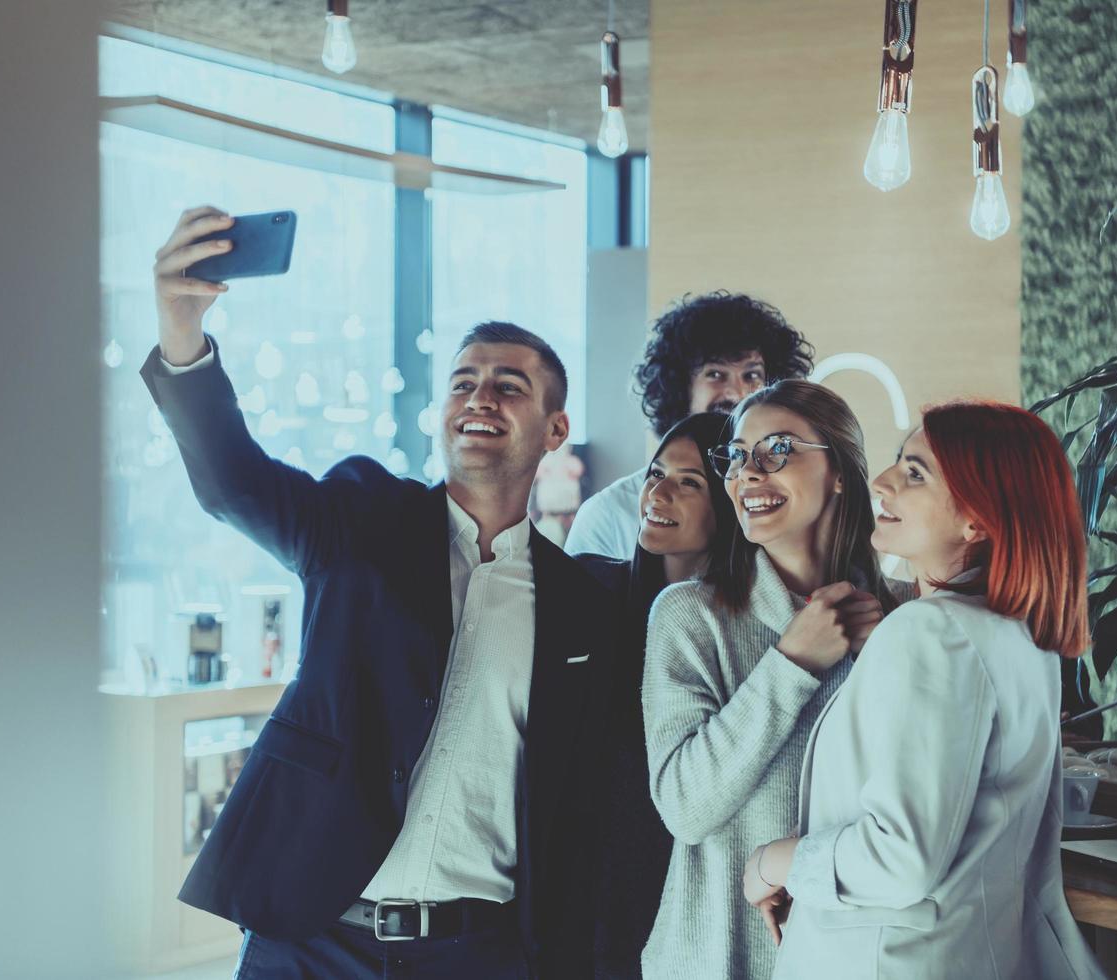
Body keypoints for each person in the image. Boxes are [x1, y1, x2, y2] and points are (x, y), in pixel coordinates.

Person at [144, 206, 617, 978]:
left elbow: (582, 799)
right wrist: (182, 333)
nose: (480, 397)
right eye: (463, 382)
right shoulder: (363, 519)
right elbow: (236, 484)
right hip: (314, 938)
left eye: (509, 385)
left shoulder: (582, 605)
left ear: (555, 429)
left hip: (479, 953)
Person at [744, 401, 1107, 980]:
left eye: (915, 473)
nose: (883, 482)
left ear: (978, 521)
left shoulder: (929, 629)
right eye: (896, 464)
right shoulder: (1020, 637)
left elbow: (901, 857)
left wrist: (773, 863)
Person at [641, 380, 894, 979]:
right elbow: (685, 808)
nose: (747, 473)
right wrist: (792, 662)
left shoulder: (901, 619)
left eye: (776, 448)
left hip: (858, 956)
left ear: (839, 471)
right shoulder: (688, 615)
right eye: (736, 456)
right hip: (715, 958)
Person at [576, 412, 736, 979]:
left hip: (694, 902)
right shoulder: (590, 592)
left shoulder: (746, 631)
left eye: (689, 482)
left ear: (729, 499)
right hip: (588, 895)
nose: (658, 492)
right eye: (655, 472)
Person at [564, 292, 814, 559]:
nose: (737, 393)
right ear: (680, 387)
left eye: (751, 375)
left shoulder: (781, 503)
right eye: (715, 374)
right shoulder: (611, 514)